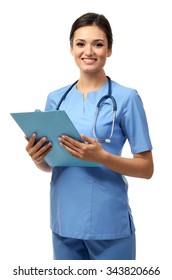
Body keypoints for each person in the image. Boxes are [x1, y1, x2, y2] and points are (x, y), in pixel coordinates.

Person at [25, 12, 154, 260]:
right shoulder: (57, 98)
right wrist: (37, 157)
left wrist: (102, 157)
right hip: (63, 224)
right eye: (81, 43)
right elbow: (51, 165)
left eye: (98, 44)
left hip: (109, 225)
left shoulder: (127, 98)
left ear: (109, 49)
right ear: (71, 48)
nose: (89, 51)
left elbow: (146, 168)